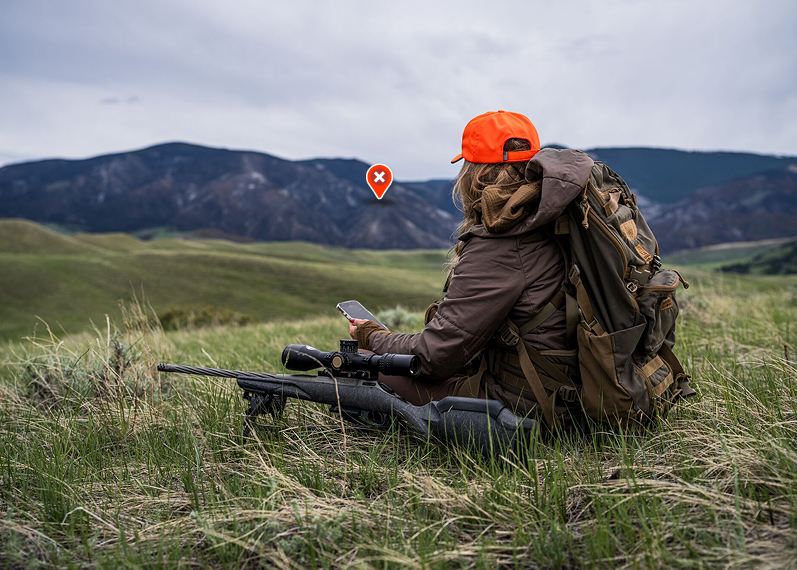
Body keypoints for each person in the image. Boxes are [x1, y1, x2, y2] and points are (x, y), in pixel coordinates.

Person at [349, 110, 594, 424]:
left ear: (477, 175)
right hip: (574, 393)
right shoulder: (555, 216)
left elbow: (432, 357)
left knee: (358, 363)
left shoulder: (503, 241)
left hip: (530, 408)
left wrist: (372, 336)